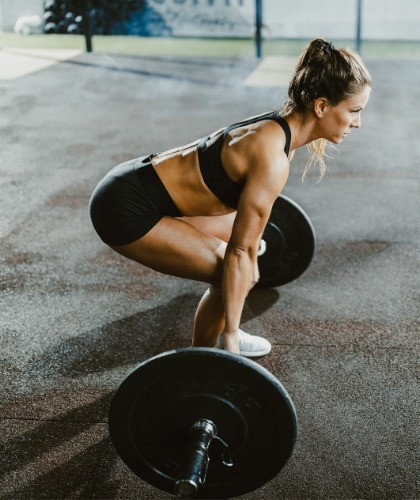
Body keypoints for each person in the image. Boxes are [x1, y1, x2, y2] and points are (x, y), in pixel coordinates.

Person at [89, 38, 372, 358]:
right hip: (124, 208)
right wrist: (233, 338)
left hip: (137, 183)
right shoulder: (271, 157)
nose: (358, 122)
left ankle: (224, 335)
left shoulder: (280, 129)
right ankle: (206, 361)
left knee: (247, 255)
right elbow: (239, 251)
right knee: (235, 270)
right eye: (354, 111)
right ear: (321, 106)